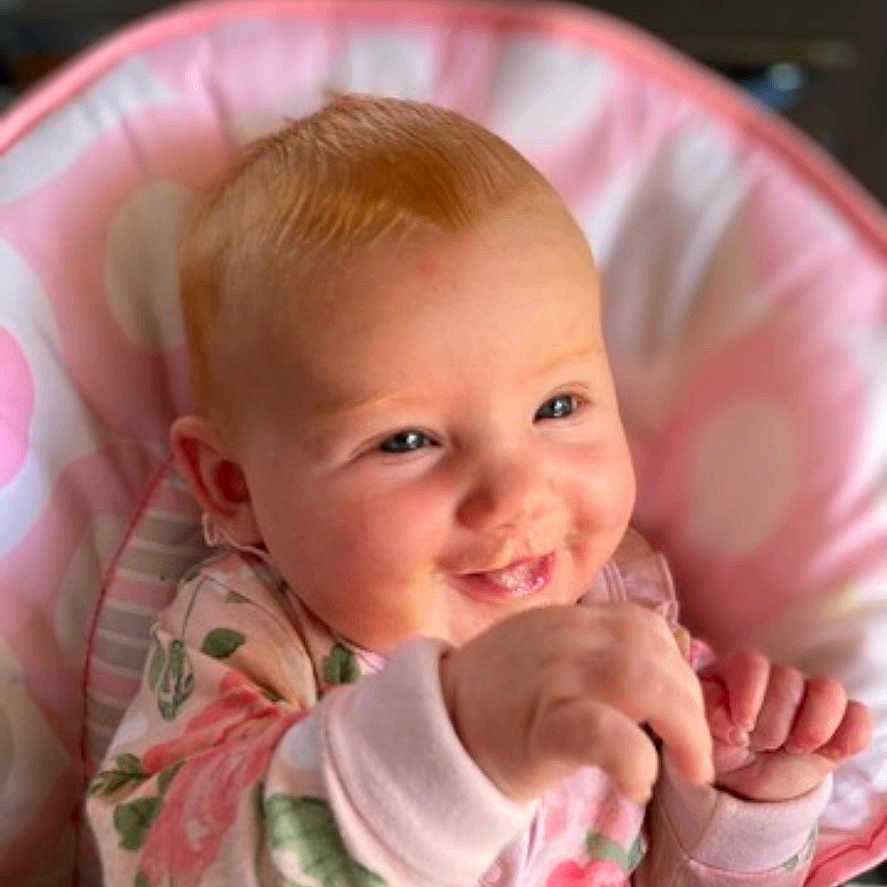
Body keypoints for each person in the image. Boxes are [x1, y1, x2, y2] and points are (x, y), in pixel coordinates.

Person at [86, 94, 872, 887]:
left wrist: (741, 804)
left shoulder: (628, 627)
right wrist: (457, 741)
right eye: (406, 440)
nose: (514, 495)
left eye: (556, 407)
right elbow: (169, 869)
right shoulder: (247, 639)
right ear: (232, 484)